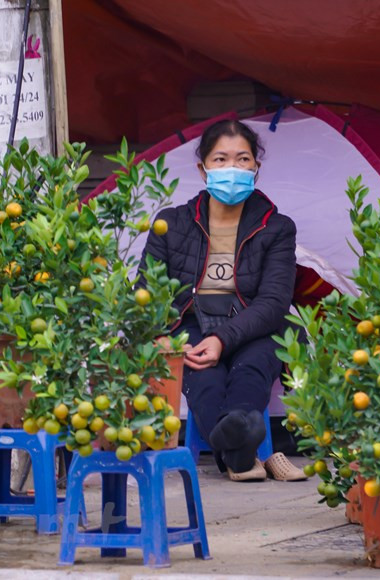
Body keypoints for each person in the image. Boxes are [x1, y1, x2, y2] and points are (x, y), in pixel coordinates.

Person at [140, 120, 306, 482]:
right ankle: (245, 452)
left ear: (255, 168)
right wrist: (160, 336)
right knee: (206, 380)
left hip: (256, 325)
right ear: (202, 169)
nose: (232, 169)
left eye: (242, 159)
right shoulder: (171, 223)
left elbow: (274, 302)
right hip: (191, 323)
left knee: (251, 371)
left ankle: (240, 457)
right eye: (220, 159)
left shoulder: (277, 227)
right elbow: (146, 293)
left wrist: (223, 338)